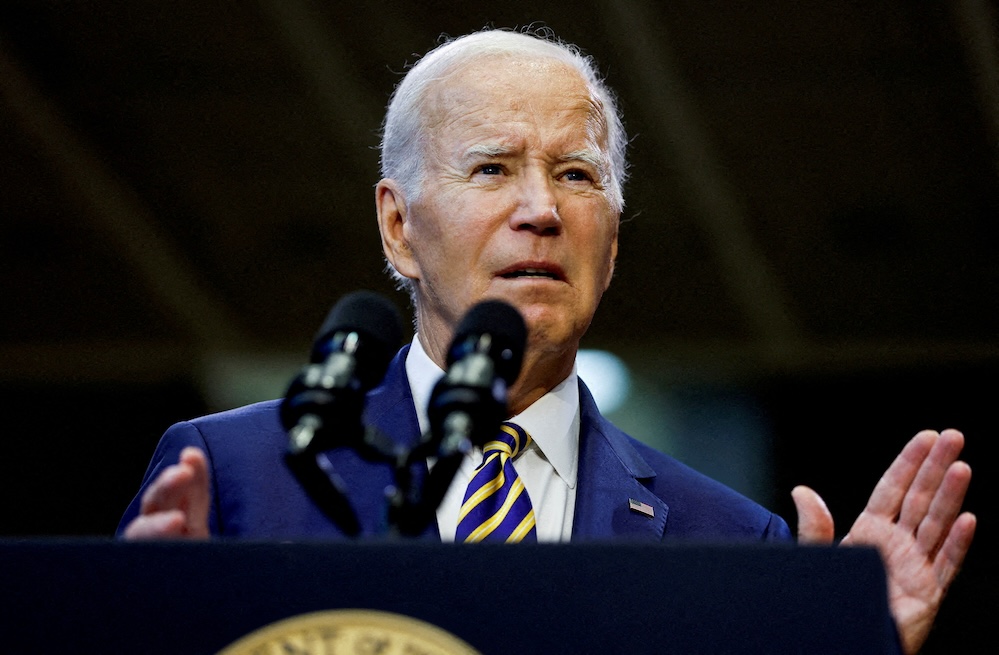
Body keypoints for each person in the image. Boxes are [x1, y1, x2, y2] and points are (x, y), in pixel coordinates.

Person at [118, 27, 976, 654]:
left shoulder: (730, 543)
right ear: (397, 227)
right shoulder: (229, 477)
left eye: (576, 175)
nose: (541, 209)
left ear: (611, 241)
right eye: (491, 167)